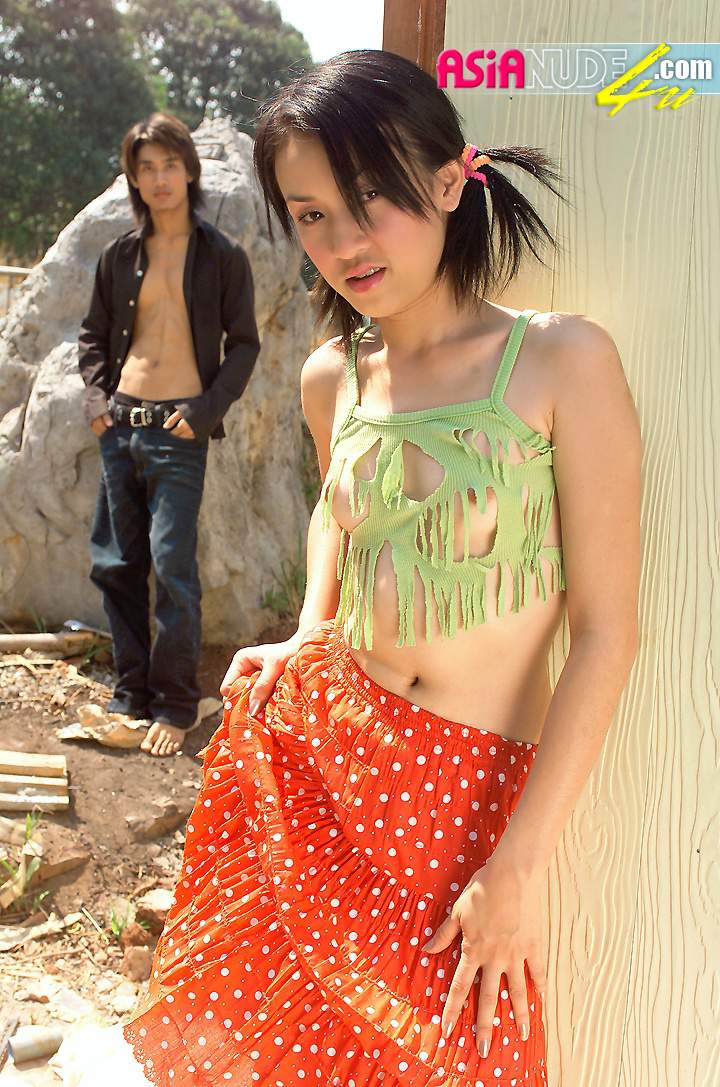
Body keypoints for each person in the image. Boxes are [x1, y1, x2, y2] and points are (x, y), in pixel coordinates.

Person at [53, 49, 640, 1085]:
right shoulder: (333, 376)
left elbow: (606, 630)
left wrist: (518, 864)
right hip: (330, 756)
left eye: (373, 198)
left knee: (454, 1059)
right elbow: (341, 509)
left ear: (450, 182)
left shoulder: (561, 361)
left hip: (466, 798)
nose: (344, 241)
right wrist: (308, 629)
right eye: (312, 214)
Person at [78, 111, 260, 758]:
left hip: (178, 432)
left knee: (173, 568)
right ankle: (131, 693)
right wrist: (97, 401)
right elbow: (93, 336)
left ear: (189, 170)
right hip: (120, 425)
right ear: (134, 177)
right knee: (116, 565)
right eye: (146, 167)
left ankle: (178, 703)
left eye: (169, 165)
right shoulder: (119, 256)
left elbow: (244, 344)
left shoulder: (222, 256)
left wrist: (205, 412)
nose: (159, 178)